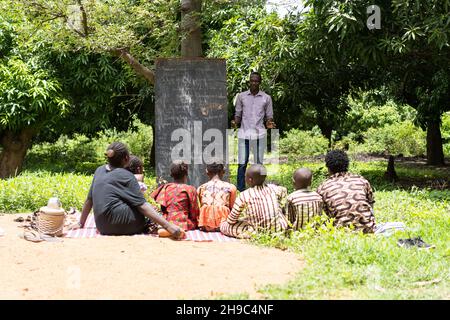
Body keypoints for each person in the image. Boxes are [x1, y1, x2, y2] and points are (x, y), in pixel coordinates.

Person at [71, 142, 184, 239]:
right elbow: (142, 206)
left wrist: (81, 223)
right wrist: (168, 226)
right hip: (125, 225)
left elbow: (89, 200)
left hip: (102, 227)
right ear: (126, 158)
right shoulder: (126, 175)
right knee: (150, 208)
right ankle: (157, 227)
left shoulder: (99, 170)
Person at [231, 71, 276, 192]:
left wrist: (270, 124)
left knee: (258, 163)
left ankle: (259, 187)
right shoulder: (241, 96)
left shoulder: (266, 98)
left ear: (260, 82)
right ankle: (240, 188)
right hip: (244, 134)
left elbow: (269, 117)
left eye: (256, 81)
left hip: (259, 134)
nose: (254, 83)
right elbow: (238, 114)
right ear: (249, 82)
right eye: (252, 80)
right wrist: (235, 122)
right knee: (242, 163)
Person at [220, 164, 288, 239]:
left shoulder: (244, 195)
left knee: (224, 226)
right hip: (279, 230)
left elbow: (231, 220)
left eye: (245, 176)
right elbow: (284, 191)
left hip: (256, 231)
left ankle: (249, 234)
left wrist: (225, 221)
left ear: (250, 179)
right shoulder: (275, 189)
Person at [317, 150, 376, 233]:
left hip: (341, 231)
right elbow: (371, 204)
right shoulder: (361, 180)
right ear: (347, 164)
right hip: (368, 229)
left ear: (328, 167)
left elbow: (326, 212)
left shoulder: (322, 187)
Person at [151, 161, 199, 233]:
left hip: (166, 222)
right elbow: (194, 211)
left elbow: (163, 207)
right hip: (184, 223)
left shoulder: (166, 187)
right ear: (186, 174)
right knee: (196, 222)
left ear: (171, 174)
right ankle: (178, 231)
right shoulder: (190, 189)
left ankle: (168, 231)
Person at [197, 161, 237, 232]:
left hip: (205, 225)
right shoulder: (230, 187)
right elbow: (232, 208)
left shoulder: (201, 188)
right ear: (223, 171)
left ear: (207, 172)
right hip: (224, 225)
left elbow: (202, 206)